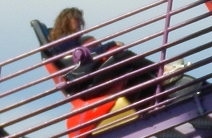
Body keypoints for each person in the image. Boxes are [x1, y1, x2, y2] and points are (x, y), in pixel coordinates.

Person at [47, 8, 184, 106]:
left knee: (128, 65)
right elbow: (86, 55)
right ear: (66, 21)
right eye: (76, 20)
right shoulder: (64, 41)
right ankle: (162, 71)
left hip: (88, 74)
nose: (79, 23)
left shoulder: (72, 41)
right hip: (86, 81)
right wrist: (111, 45)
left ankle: (157, 81)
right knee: (123, 55)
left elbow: (87, 53)